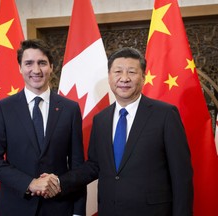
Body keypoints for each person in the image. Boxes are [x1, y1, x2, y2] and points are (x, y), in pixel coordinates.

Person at [56, 47, 193, 216]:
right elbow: (94, 165)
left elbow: (181, 176)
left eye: (132, 72)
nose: (124, 78)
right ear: (109, 77)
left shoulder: (165, 114)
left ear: (143, 78)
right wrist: (58, 182)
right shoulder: (101, 120)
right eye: (118, 71)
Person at [0, 39, 86, 216]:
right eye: (29, 63)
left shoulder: (70, 109)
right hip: (15, 207)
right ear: (20, 68)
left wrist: (78, 212)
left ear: (51, 67)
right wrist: (30, 183)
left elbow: (77, 167)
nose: (36, 70)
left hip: (59, 208)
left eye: (42, 63)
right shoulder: (4, 108)